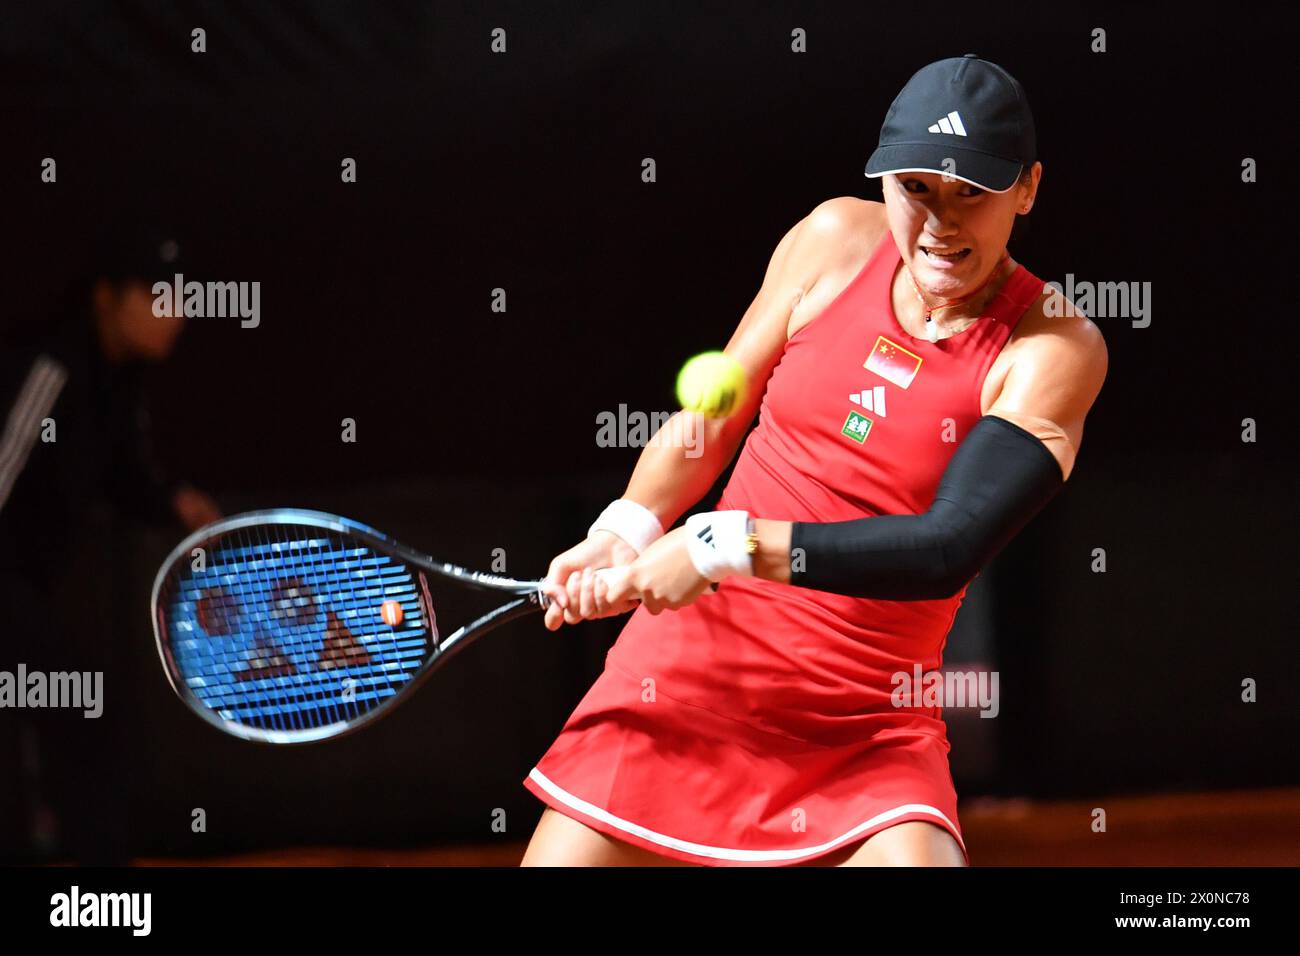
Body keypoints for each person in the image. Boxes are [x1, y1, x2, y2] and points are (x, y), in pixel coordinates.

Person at [520, 55, 1107, 866]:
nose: (941, 221)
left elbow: (946, 548)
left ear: (1028, 189)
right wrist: (627, 526)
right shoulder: (834, 238)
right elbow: (715, 416)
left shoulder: (1054, 347)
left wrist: (720, 544)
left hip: (868, 718)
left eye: (973, 192)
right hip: (689, 672)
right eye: (917, 188)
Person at [0, 225, 219, 862]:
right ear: (106, 297)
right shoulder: (51, 369)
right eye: (156, 294)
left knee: (83, 722)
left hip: (26, 595)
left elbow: (124, 478)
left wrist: (172, 500)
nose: (175, 312)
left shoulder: (118, 387)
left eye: (184, 296)